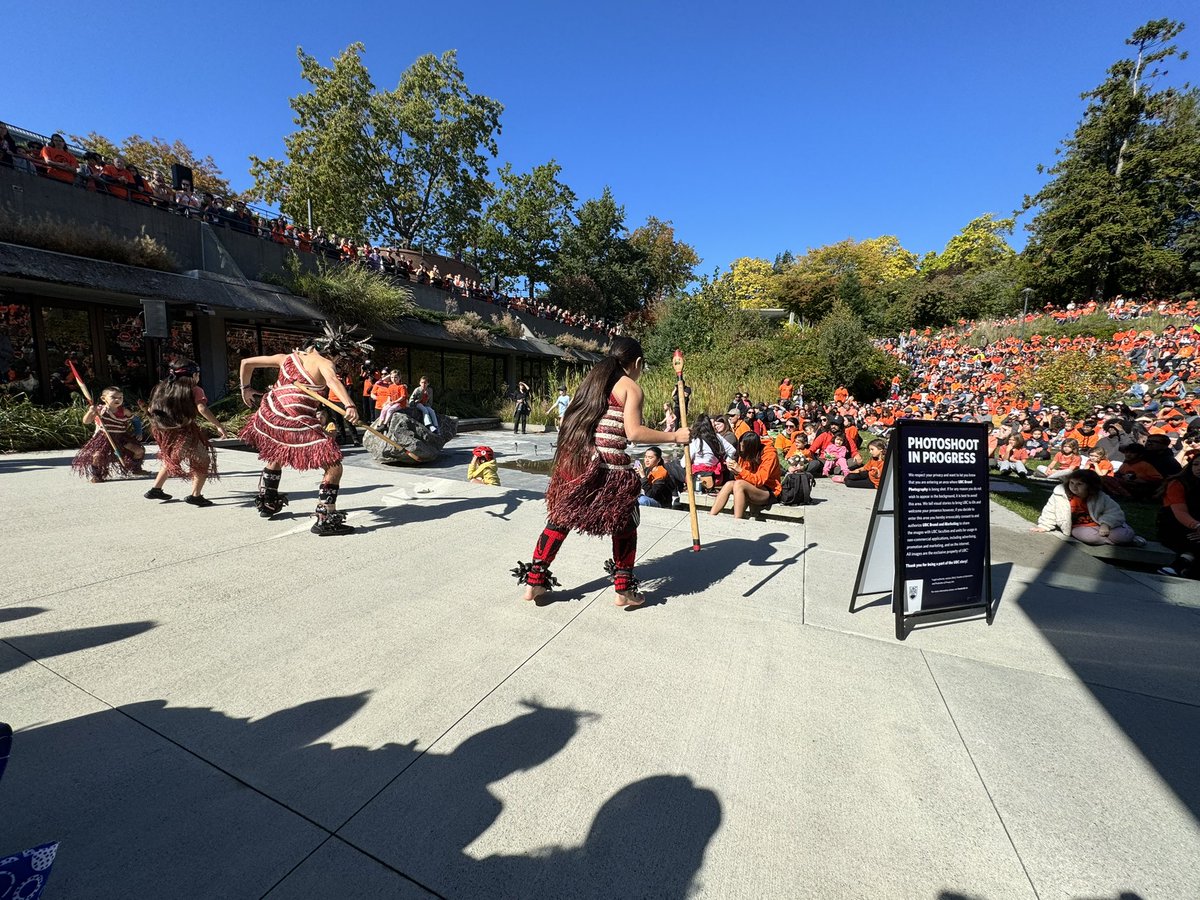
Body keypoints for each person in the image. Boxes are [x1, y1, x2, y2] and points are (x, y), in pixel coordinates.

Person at [513, 337, 690, 607]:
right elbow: (634, 433)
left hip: (577, 462)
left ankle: (535, 582)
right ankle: (623, 590)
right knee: (626, 523)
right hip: (609, 468)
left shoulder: (593, 381)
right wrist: (676, 437)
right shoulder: (630, 386)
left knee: (560, 518)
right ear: (638, 363)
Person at [238, 324, 369, 535]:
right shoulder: (325, 363)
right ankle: (325, 518)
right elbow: (332, 380)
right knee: (334, 467)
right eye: (340, 359)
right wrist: (350, 405)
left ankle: (268, 501)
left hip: (271, 414)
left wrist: (245, 389)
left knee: (278, 452)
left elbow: (246, 363)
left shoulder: (286, 358)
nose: (338, 363)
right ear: (335, 353)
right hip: (295, 419)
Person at [143, 360, 226, 506]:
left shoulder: (161, 387)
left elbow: (150, 410)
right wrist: (218, 426)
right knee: (203, 460)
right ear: (194, 375)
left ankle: (156, 489)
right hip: (185, 432)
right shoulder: (195, 389)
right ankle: (195, 495)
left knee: (172, 458)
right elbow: (202, 409)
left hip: (166, 431)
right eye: (198, 374)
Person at [1030, 469, 1144, 546]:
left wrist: (1106, 524)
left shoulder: (1100, 497)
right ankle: (1115, 541)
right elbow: (1050, 510)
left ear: (1090, 486)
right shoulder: (1060, 494)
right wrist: (1044, 525)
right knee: (1090, 538)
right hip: (1080, 526)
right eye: (1072, 483)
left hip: (1102, 524)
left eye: (1079, 484)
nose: (1074, 487)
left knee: (1123, 535)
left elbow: (1114, 512)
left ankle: (1125, 537)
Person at [70, 387, 148, 481]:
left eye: (120, 397)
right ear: (103, 398)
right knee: (97, 456)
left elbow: (136, 420)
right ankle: (97, 475)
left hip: (121, 438)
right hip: (104, 438)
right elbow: (86, 421)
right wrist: (91, 412)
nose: (117, 400)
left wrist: (138, 431)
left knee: (138, 451)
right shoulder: (99, 410)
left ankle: (136, 469)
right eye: (113, 397)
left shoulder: (125, 411)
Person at [708, 431, 782, 519]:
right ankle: (710, 517)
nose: (741, 449)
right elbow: (741, 477)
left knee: (739, 484)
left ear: (751, 448)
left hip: (769, 491)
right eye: (741, 446)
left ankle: (737, 521)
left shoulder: (769, 455)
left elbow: (759, 480)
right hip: (751, 486)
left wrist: (740, 470)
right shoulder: (745, 453)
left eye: (743, 447)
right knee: (729, 484)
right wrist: (735, 471)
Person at [1157, 450, 1200, 578]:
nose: (1198, 469)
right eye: (1196, 464)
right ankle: (1181, 566)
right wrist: (1197, 526)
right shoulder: (1177, 483)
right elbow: (1180, 512)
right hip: (1176, 524)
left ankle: (1183, 565)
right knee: (1193, 540)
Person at [688, 413, 736, 494]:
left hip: (700, 477)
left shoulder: (695, 440)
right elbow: (732, 450)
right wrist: (725, 461)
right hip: (717, 477)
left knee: (672, 467)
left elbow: (684, 463)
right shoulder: (717, 437)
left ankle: (675, 497)